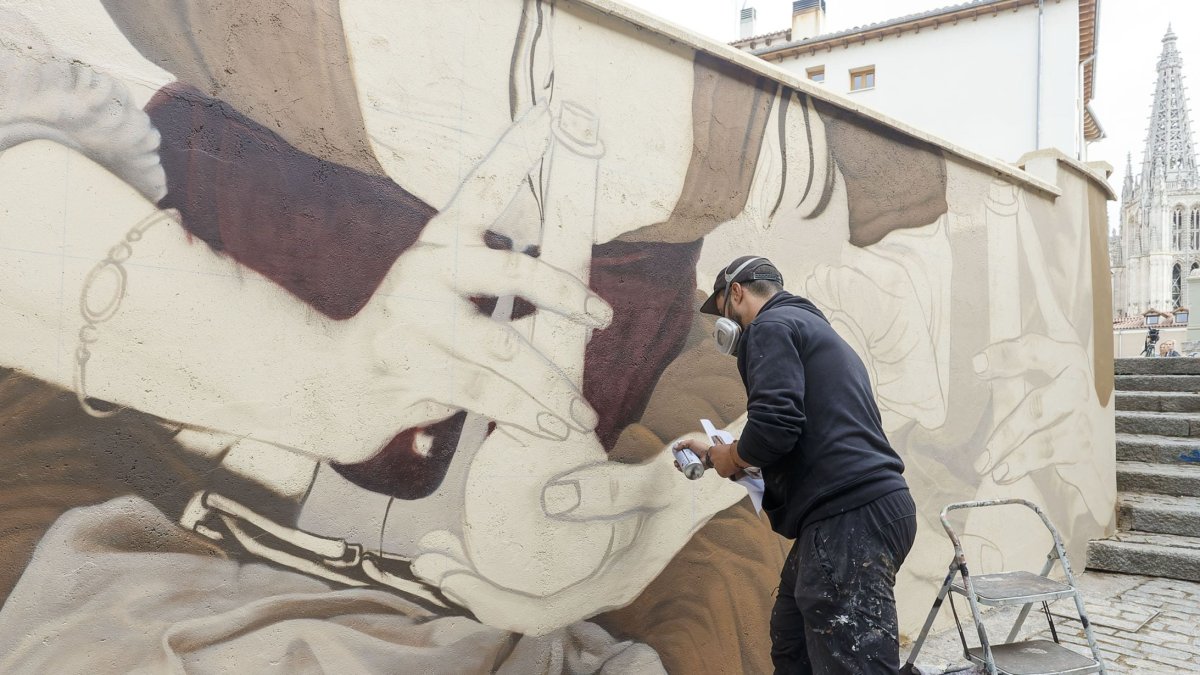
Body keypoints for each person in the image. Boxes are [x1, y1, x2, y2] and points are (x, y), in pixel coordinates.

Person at [674, 255, 918, 674]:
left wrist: (730, 459)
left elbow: (775, 425)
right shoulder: (811, 329)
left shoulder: (769, 327)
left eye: (721, 311)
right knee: (793, 642)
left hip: (848, 518)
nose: (724, 326)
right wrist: (723, 447)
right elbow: (799, 431)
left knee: (853, 663)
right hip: (861, 512)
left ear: (736, 292)